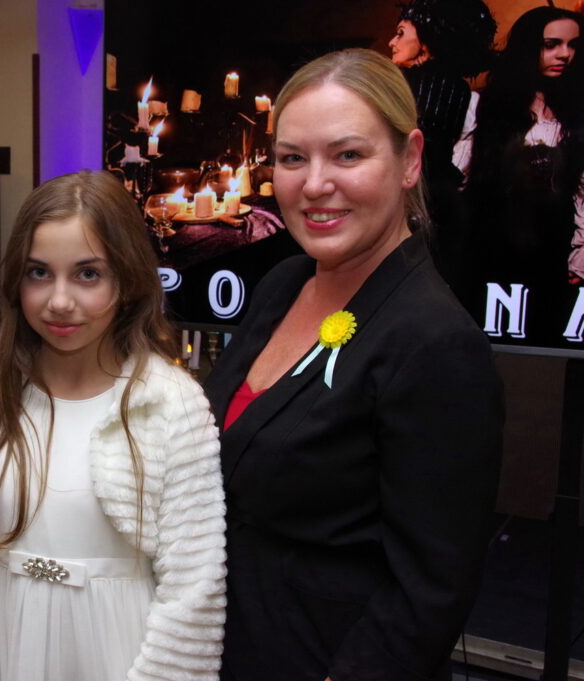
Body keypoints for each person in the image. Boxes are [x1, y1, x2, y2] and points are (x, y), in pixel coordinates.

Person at [205, 49, 503, 681]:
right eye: (293, 158)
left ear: (410, 160)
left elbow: (429, 591)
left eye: (347, 155)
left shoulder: (434, 341)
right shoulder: (285, 284)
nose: (315, 184)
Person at [0, 170, 226, 681]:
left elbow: (193, 590)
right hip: (12, 642)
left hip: (120, 649)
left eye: (88, 274)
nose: (59, 301)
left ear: (126, 281)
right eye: (39, 273)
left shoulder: (169, 404)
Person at [454, 6, 584, 333]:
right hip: (490, 249)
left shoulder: (576, 114)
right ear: (529, 48)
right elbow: (460, 183)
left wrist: (580, 256)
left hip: (555, 252)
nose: (564, 54)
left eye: (573, 45)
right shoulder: (485, 107)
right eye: (551, 44)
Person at [387, 0, 496, 285]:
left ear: (426, 42)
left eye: (400, 33)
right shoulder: (456, 87)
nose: (391, 42)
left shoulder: (417, 85)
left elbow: (420, 152)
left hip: (418, 204)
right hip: (440, 201)